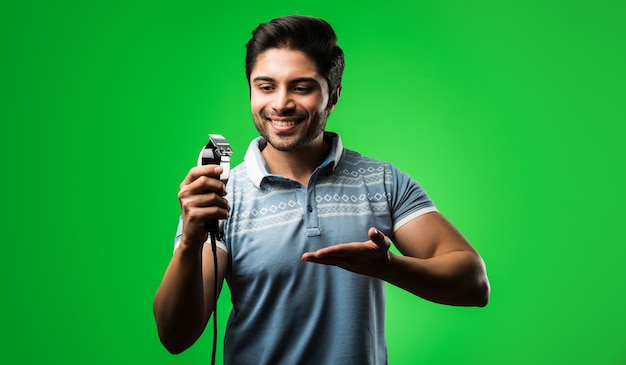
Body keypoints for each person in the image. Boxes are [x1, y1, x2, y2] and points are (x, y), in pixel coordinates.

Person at [153, 15, 490, 365]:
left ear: (333, 96)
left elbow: (473, 283)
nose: (280, 104)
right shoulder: (222, 196)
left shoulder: (382, 181)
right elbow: (175, 337)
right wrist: (191, 241)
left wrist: (389, 267)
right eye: (266, 87)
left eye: (301, 88)